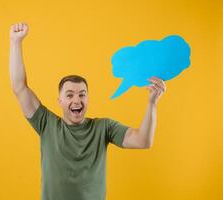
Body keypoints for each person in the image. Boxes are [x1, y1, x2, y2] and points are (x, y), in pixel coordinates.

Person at [9, 22, 166, 200]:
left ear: (88, 99)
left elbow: (143, 140)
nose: (77, 100)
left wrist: (152, 102)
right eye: (69, 95)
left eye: (82, 95)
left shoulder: (104, 127)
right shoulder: (46, 124)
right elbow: (19, 87)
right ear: (59, 101)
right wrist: (15, 42)